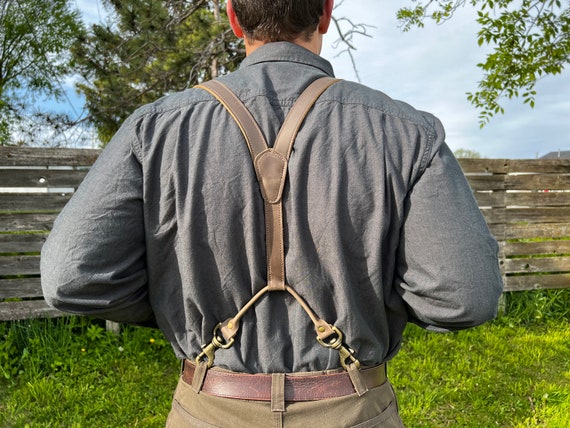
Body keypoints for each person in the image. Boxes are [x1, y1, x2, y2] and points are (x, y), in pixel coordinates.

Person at [40, 0, 503, 426]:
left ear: (234, 18)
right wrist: (370, 299)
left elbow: (73, 277)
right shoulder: (406, 132)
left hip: (209, 409)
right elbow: (463, 296)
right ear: (325, 13)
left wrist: (177, 304)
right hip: (353, 408)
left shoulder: (155, 130)